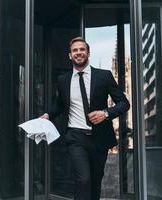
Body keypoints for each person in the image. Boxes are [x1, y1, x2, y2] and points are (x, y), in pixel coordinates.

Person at [41, 37, 130, 200]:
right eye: (75, 50)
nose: (79, 53)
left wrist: (105, 114)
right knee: (83, 179)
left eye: (82, 49)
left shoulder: (104, 76)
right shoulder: (63, 80)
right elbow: (60, 104)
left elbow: (124, 103)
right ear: (70, 55)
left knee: (95, 182)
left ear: (88, 53)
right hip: (75, 137)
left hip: (100, 138)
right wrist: (47, 115)